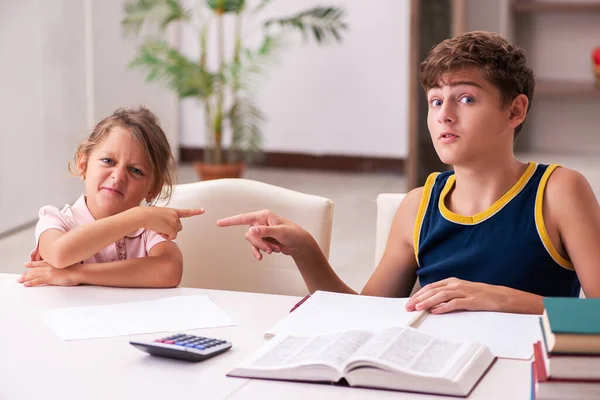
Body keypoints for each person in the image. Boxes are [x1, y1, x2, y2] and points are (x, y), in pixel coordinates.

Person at [217, 31, 600, 314]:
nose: (445, 114)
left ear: (515, 111)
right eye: (436, 101)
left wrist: (501, 299)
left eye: (466, 98)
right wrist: (305, 250)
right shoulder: (419, 205)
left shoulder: (559, 192)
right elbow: (365, 315)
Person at [18, 107, 204, 288]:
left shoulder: (148, 228)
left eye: (136, 170)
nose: (119, 176)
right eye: (108, 161)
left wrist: (76, 274)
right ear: (83, 165)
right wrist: (137, 217)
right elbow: (59, 254)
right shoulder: (56, 220)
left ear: (152, 189)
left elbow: (169, 271)